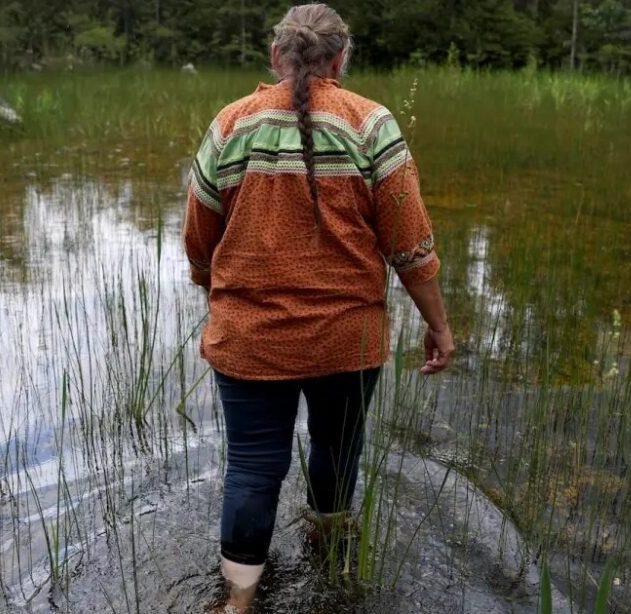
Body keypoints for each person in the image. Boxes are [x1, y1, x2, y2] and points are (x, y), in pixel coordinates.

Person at [182, 4, 454, 612]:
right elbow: (410, 244)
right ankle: (328, 558)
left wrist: (219, 294)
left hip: (250, 340)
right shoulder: (370, 125)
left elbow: (199, 239)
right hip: (346, 342)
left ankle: (240, 601)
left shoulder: (230, 126)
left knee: (253, 469)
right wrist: (437, 325)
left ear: (278, 56)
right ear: (340, 60)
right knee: (337, 451)